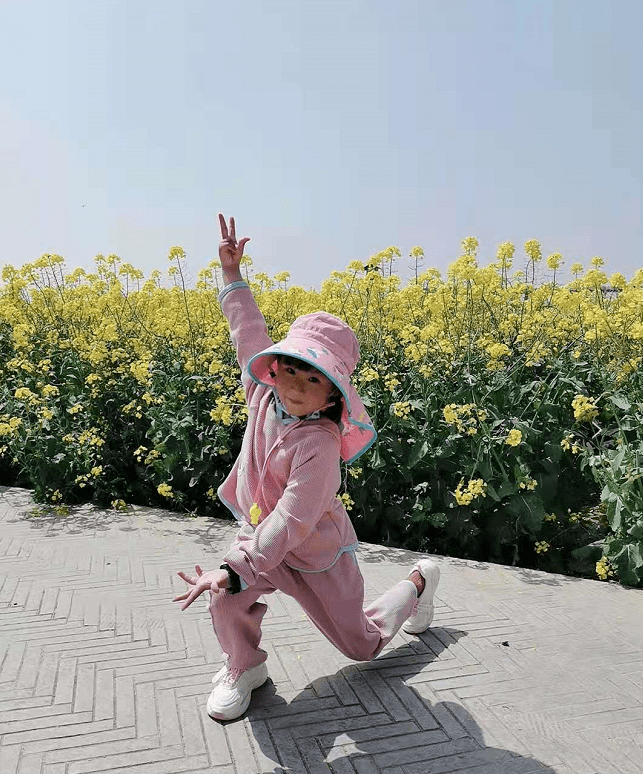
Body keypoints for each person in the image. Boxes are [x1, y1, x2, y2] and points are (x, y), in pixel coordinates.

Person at [174, 214, 440, 722]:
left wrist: (236, 566)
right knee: (226, 598)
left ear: (333, 393)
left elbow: (293, 520)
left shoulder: (320, 445)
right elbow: (247, 333)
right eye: (289, 369)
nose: (294, 386)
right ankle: (244, 666)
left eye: (310, 378)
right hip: (261, 544)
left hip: (316, 555)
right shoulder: (262, 393)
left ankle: (419, 583)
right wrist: (233, 277)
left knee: (360, 646)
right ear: (274, 369)